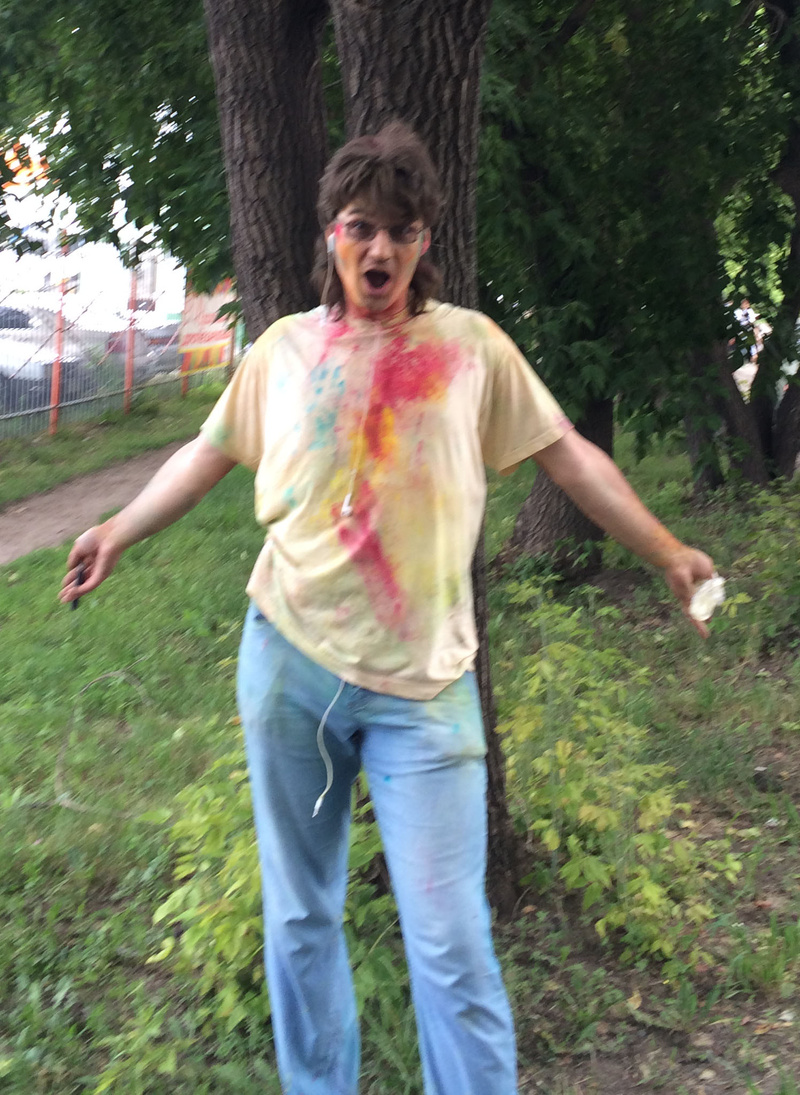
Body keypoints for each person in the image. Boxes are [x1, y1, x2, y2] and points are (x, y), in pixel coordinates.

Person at [60, 123, 714, 1095]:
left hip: (425, 690)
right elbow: (207, 452)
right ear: (332, 232)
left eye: (400, 231)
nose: (379, 249)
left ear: (423, 242)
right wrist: (116, 530)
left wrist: (666, 552)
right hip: (289, 665)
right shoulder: (283, 351)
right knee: (300, 914)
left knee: (450, 941)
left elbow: (568, 454)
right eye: (361, 226)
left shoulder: (471, 348)